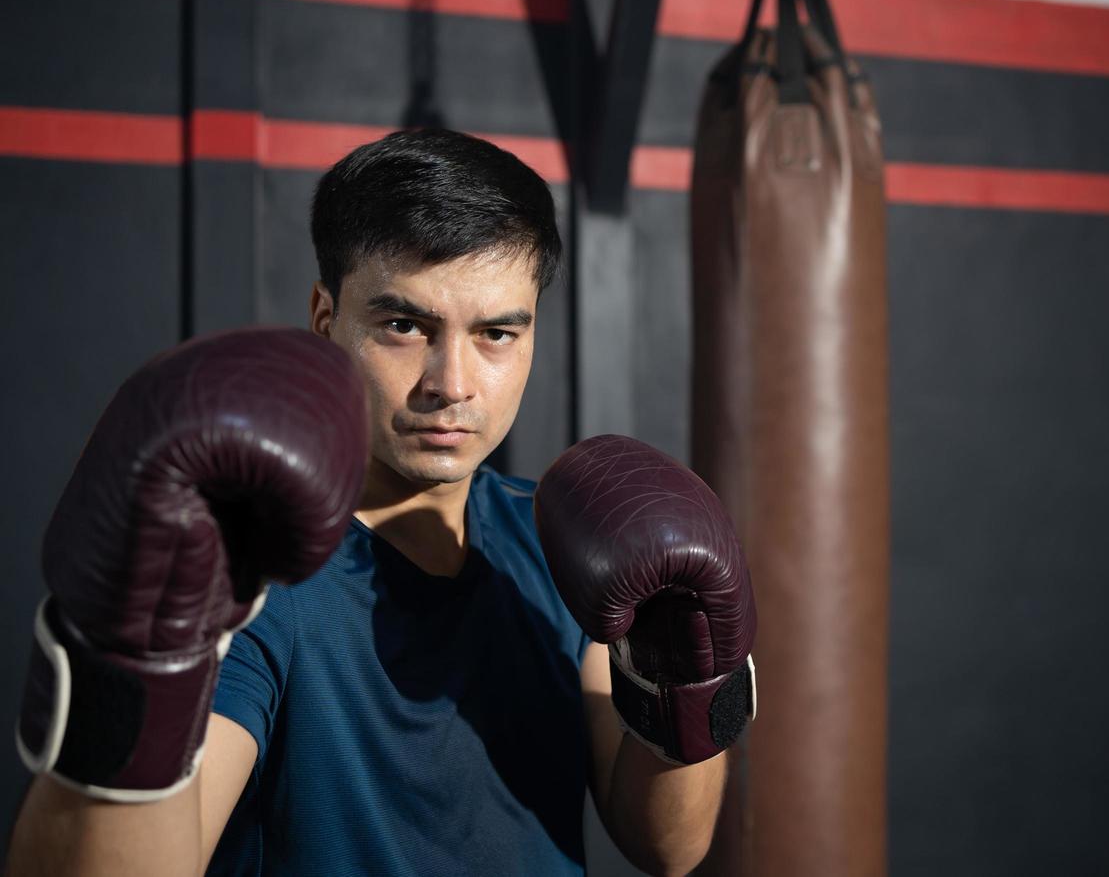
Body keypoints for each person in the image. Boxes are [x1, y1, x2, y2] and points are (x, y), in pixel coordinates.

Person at [7, 129, 754, 876]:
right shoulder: (259, 574)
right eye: (405, 326)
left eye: (495, 333)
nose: (451, 383)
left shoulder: (560, 542)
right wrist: (136, 662)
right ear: (327, 319)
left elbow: (668, 847)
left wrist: (681, 679)